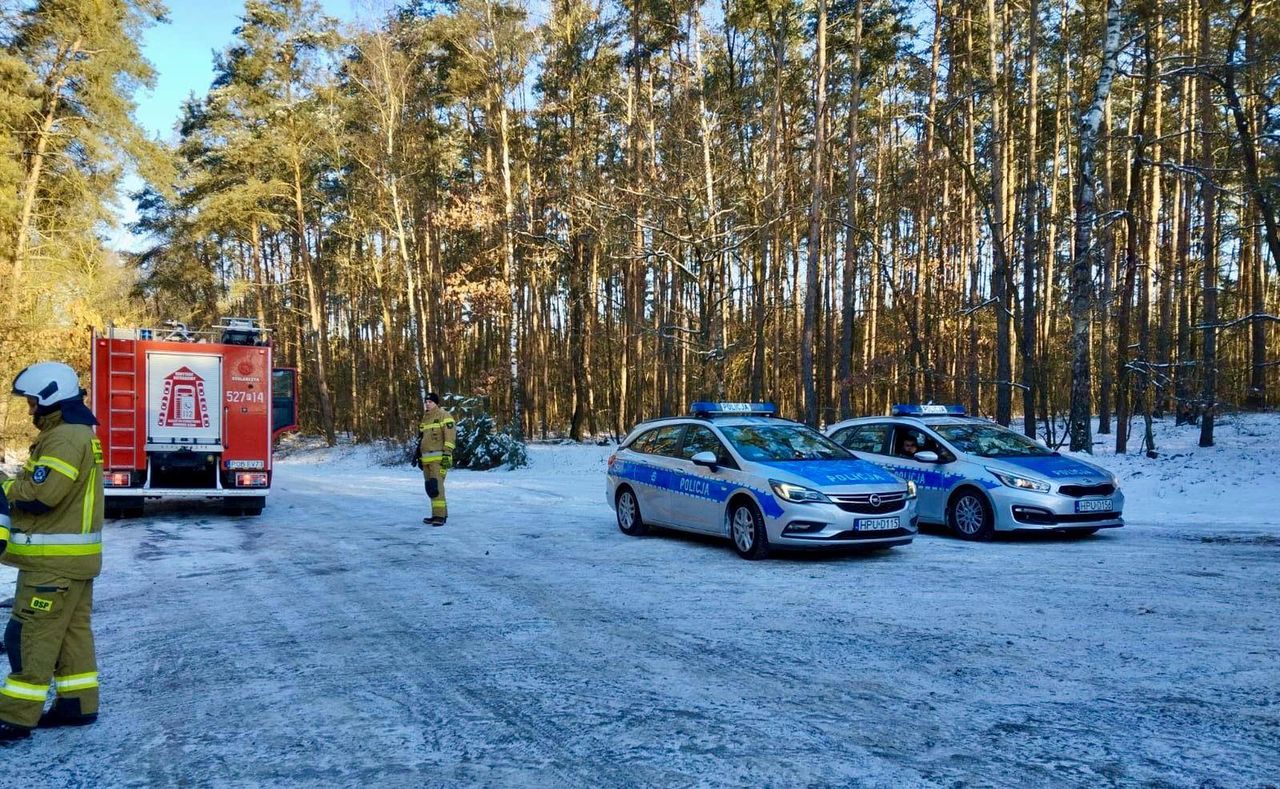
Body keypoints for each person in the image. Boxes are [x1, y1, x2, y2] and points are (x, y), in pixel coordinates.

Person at [0, 362, 104, 743]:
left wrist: (4, 488)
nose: (29, 409)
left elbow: (43, 495)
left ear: (50, 396)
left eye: (31, 402)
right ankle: (77, 705)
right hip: (73, 563)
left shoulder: (64, 437)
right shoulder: (77, 433)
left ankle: (14, 718)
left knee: (29, 637)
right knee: (71, 636)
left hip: (51, 566)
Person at [413, 393, 456, 526]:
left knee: (436, 487)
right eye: (426, 401)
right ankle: (438, 514)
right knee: (431, 488)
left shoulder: (444, 416)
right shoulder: (425, 418)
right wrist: (418, 456)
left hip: (439, 458)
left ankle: (439, 516)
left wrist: (447, 454)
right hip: (426, 460)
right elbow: (422, 439)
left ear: (436, 403)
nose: (427, 403)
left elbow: (450, 437)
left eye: (430, 401)